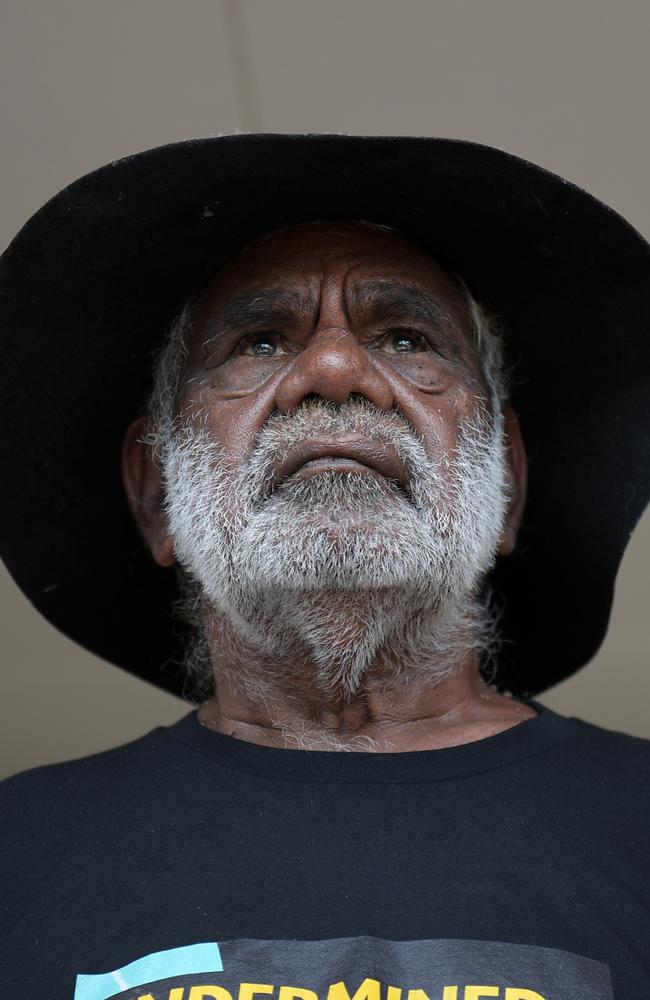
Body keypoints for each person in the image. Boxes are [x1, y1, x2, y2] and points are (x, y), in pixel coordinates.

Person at [1, 134, 649, 999]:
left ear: (508, 483)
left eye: (410, 337)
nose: (336, 368)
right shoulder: (19, 852)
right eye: (260, 342)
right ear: (157, 491)